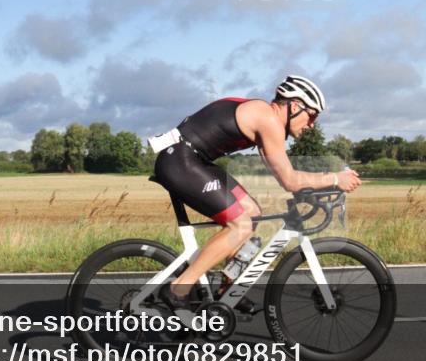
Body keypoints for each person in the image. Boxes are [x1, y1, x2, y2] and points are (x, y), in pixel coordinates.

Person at [149, 75, 361, 312]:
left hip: (193, 159)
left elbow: (282, 172)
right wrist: (333, 179)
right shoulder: (268, 120)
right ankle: (178, 288)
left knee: (252, 212)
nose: (312, 124)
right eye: (312, 115)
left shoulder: (263, 115)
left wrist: (322, 179)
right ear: (294, 106)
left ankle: (227, 290)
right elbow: (290, 181)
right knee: (240, 225)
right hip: (182, 162)